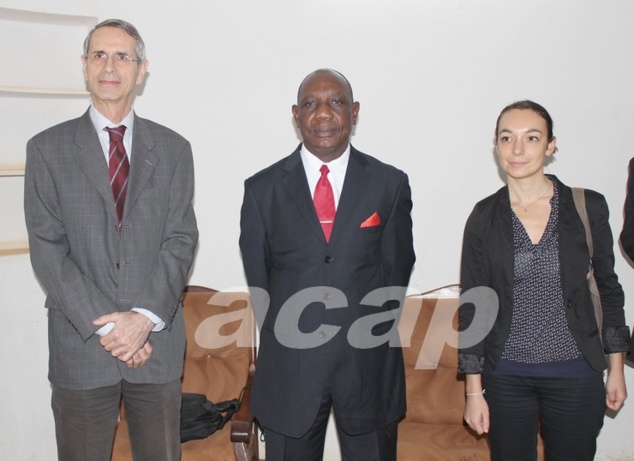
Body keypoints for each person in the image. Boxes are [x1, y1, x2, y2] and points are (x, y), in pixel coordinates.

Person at [24, 19, 198, 461]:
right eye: (99, 55)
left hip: (155, 346)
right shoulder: (46, 149)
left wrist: (141, 322)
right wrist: (113, 329)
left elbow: (180, 239)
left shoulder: (174, 148)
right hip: (80, 347)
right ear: (85, 66)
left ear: (141, 70)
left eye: (122, 56)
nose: (110, 66)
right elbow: (48, 250)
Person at [239, 68, 415, 460]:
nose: (323, 113)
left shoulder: (390, 184)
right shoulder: (261, 190)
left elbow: (397, 271)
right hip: (290, 371)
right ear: (295, 114)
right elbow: (260, 281)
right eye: (309, 104)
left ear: (353, 111)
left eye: (335, 102)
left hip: (368, 365)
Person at [459, 100, 630, 460]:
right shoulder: (484, 217)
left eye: (532, 138)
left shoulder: (587, 206)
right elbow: (474, 308)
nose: (517, 149)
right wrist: (474, 391)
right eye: (507, 138)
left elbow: (609, 291)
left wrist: (617, 368)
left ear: (551, 146)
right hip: (506, 376)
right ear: (496, 146)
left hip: (576, 372)